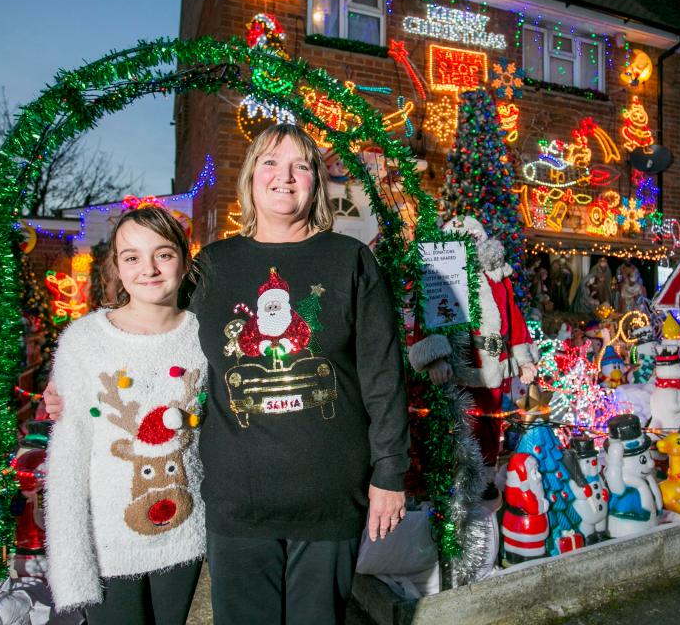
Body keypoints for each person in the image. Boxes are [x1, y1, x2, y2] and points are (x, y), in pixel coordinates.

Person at [46, 123, 408, 625]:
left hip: (330, 494)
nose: (286, 177)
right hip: (237, 501)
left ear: (315, 182)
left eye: (301, 165)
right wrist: (75, 376)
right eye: (270, 163)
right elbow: (154, 326)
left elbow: (384, 374)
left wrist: (389, 472)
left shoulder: (349, 260)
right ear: (250, 178)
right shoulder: (213, 267)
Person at [44, 206, 206, 624]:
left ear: (185, 260)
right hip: (110, 547)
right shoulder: (84, 342)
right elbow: (68, 459)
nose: (148, 269)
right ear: (116, 265)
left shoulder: (205, 336)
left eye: (163, 254)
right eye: (132, 256)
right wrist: (72, 566)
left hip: (191, 542)